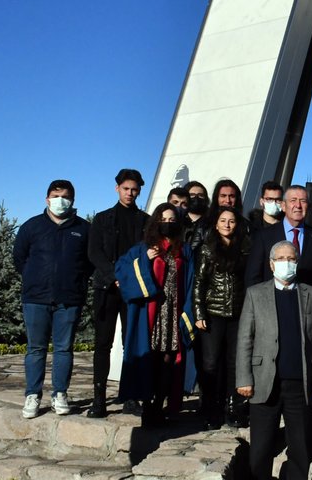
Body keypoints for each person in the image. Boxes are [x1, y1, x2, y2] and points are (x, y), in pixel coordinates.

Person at [236, 241, 312, 480]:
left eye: (292, 258)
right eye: (281, 258)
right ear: (271, 263)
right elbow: (244, 340)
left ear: (297, 262)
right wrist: (243, 379)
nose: (287, 262)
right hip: (264, 383)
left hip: (299, 383)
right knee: (261, 449)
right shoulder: (255, 294)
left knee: (299, 447)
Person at [12, 179, 92, 419]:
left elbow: (89, 263)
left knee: (64, 349)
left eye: (65, 196)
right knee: (35, 349)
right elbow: (19, 257)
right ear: (47, 199)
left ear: (73, 200)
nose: (60, 201)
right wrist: (34, 278)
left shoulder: (84, 229)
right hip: (36, 298)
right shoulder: (32, 227)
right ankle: (33, 395)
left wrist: (75, 281)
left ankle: (60, 394)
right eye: (56, 196)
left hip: (69, 299)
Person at [115, 204, 197, 428]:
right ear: (155, 222)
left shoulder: (184, 250)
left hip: (173, 312)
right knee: (149, 359)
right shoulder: (144, 248)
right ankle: (148, 406)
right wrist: (146, 260)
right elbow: (121, 269)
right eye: (163, 219)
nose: (168, 223)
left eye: (172, 220)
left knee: (169, 360)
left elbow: (191, 281)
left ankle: (161, 404)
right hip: (150, 314)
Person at [86, 168, 150, 418]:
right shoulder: (102, 219)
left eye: (134, 190)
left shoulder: (145, 221)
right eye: (126, 189)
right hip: (106, 288)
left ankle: (131, 397)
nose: (130, 193)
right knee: (102, 344)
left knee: (131, 344)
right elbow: (94, 252)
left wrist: (129, 280)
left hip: (132, 291)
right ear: (117, 188)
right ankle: (99, 398)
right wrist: (114, 277)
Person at [192, 206, 249, 429]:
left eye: (231, 221)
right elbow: (199, 282)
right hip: (213, 314)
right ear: (215, 224)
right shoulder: (207, 248)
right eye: (223, 220)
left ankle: (232, 407)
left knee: (234, 362)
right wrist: (199, 313)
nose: (227, 224)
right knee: (211, 362)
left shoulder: (244, 248)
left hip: (237, 313)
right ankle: (210, 407)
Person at [247, 185, 312, 292]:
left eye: (303, 201)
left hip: (307, 305)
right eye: (293, 200)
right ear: (283, 206)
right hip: (271, 303)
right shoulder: (264, 236)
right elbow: (253, 277)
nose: (298, 205)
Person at [185, 181, 212, 251]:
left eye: (200, 195)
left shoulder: (213, 222)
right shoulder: (178, 220)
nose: (196, 198)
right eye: (192, 195)